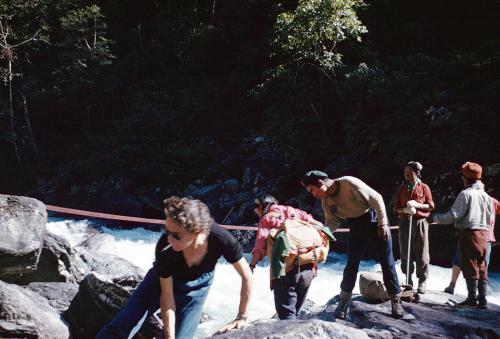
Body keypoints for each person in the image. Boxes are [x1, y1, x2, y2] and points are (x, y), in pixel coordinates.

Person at [96, 196, 252, 339]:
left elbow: (247, 277)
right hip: (158, 283)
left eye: (176, 235)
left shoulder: (222, 240)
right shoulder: (164, 248)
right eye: (167, 231)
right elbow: (167, 297)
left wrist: (241, 317)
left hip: (198, 288)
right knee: (125, 322)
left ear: (196, 232)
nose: (168, 239)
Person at [301, 170, 404, 320]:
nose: (313, 194)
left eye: (312, 189)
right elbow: (332, 222)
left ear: (320, 183)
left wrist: (383, 223)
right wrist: (321, 236)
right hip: (356, 224)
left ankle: (396, 300)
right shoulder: (326, 201)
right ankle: (344, 302)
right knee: (351, 263)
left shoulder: (348, 183)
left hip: (374, 218)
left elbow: (377, 198)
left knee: (387, 262)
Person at [249, 194, 332, 320]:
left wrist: (252, 266)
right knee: (296, 312)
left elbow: (260, 248)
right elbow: (320, 226)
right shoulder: (297, 212)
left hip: (285, 271)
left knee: (286, 315)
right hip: (309, 267)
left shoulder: (267, 219)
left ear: (261, 207)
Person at [431, 162, 494, 308]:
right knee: (482, 266)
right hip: (484, 235)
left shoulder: (466, 194)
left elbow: (454, 215)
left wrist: (434, 218)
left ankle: (472, 299)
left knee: (470, 265)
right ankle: (482, 301)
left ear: (466, 178)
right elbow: (490, 219)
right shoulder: (486, 196)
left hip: (470, 234)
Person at [443, 192, 499, 295]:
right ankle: (480, 296)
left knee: (459, 259)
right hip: (486, 238)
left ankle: (453, 285)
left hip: (471, 236)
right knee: (482, 265)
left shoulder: (471, 199)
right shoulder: (492, 201)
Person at [393, 161, 434, 293]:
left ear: (416, 172)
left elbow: (430, 205)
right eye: (405, 170)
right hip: (405, 222)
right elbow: (395, 208)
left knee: (422, 252)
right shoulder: (402, 188)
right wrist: (403, 210)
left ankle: (422, 280)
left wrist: (418, 206)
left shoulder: (424, 187)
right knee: (405, 251)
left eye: (409, 170)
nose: (406, 173)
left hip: (420, 222)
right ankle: (407, 279)